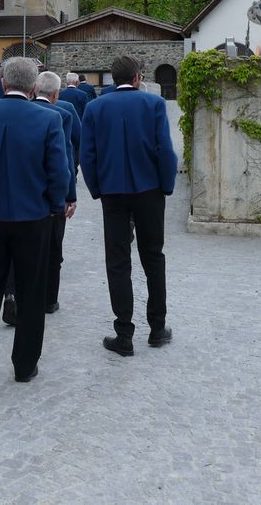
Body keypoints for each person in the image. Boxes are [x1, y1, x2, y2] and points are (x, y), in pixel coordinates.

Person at [0, 57, 69, 394]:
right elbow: (58, 171)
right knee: (32, 291)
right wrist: (55, 206)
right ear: (34, 87)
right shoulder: (49, 118)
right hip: (32, 216)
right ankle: (24, 364)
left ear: (3, 83)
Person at [80, 54, 178, 358]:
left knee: (118, 261)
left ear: (113, 78)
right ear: (137, 78)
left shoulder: (95, 107)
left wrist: (97, 189)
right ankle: (157, 327)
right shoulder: (154, 104)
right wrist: (166, 186)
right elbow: (165, 150)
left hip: (113, 192)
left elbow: (87, 154)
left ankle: (124, 332)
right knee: (153, 257)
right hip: (149, 190)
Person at [31, 71, 78, 314]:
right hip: (50, 193)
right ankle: (49, 299)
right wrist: (69, 196)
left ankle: (13, 294)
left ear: (34, 89)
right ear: (56, 94)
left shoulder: (21, 110)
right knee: (53, 247)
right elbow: (65, 158)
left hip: (24, 191)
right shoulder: (62, 114)